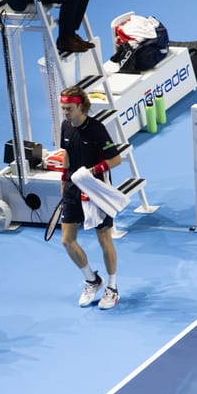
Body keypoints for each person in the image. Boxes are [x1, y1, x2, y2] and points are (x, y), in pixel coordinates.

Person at [58, 85, 123, 309]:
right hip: (73, 189)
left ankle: (112, 288)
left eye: (69, 108)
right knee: (67, 240)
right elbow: (66, 155)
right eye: (63, 108)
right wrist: (63, 183)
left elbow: (116, 160)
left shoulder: (97, 129)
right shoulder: (65, 127)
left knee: (104, 239)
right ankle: (92, 280)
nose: (65, 113)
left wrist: (90, 172)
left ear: (80, 106)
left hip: (96, 189)